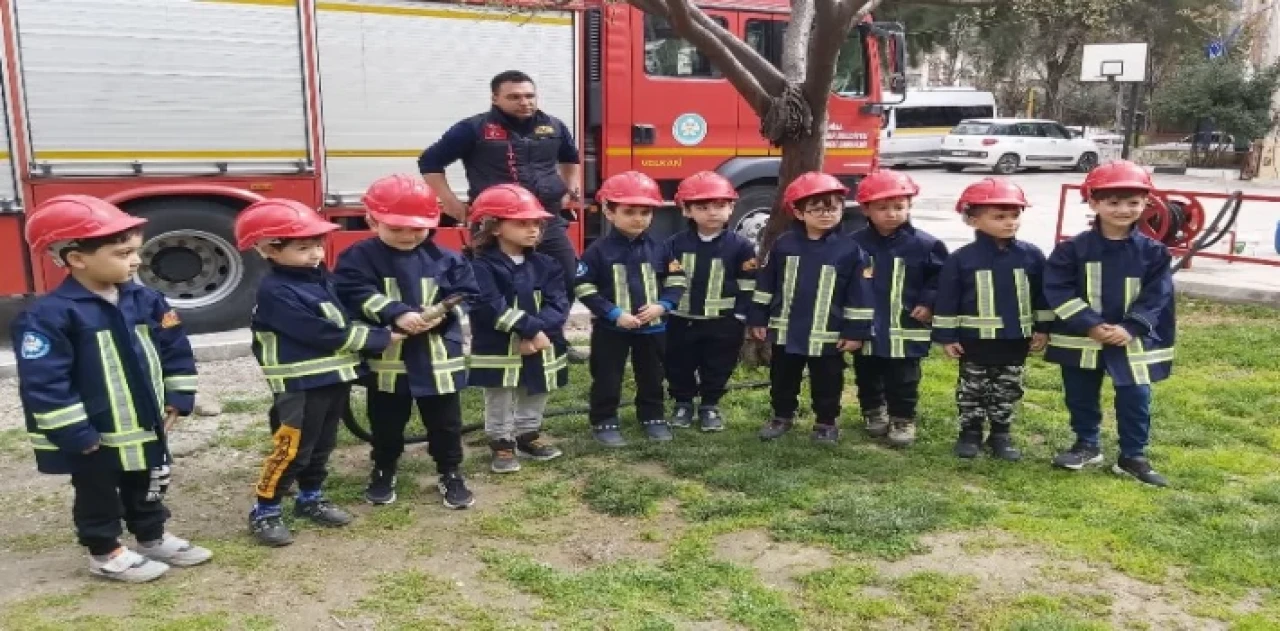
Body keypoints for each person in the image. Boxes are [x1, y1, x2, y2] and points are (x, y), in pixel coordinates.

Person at [12, 195, 211, 582]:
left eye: (135, 251)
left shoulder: (146, 299)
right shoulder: (50, 315)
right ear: (76, 258)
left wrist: (179, 397)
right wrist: (74, 432)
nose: (135, 261)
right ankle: (105, 551)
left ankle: (151, 535)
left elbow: (174, 350)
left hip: (145, 422)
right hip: (93, 433)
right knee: (98, 491)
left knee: (151, 479)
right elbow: (44, 381)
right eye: (122, 253)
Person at [237, 199, 399, 546]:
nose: (315, 254)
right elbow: (322, 333)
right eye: (303, 247)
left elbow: (343, 315)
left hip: (331, 381)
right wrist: (380, 338)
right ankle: (264, 510)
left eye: (317, 245)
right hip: (300, 386)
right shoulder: (276, 292)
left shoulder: (317, 278)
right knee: (292, 449)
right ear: (268, 250)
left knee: (323, 446)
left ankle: (310, 497)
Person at [418, 69, 588, 363]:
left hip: (545, 221)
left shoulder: (553, 127)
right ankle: (498, 346)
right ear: (495, 98)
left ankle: (551, 339)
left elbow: (570, 158)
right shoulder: (473, 129)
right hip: (494, 224)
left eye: (529, 95)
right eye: (514, 96)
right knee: (492, 288)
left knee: (565, 279)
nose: (524, 102)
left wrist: (569, 186)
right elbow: (430, 161)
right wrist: (450, 203)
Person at [332, 174, 481, 508]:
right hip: (389, 361)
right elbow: (352, 291)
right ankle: (384, 468)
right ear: (371, 220)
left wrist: (444, 312)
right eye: (395, 228)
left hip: (438, 359)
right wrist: (395, 313)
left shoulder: (447, 258)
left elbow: (468, 292)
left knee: (446, 424)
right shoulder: (358, 257)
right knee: (386, 422)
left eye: (417, 228)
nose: (407, 235)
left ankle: (450, 472)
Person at [1043, 160, 1174, 487]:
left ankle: (1133, 455)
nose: (1123, 209)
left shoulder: (1155, 252)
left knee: (1136, 395)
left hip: (1130, 338)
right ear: (1093, 202)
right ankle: (1086, 444)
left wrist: (1131, 327)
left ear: (1146, 204)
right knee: (1080, 392)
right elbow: (1057, 288)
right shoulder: (1071, 250)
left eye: (1133, 202)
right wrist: (1089, 324)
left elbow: (1158, 294)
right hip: (1082, 336)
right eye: (1113, 202)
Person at [932, 178, 1052, 461]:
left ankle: (1001, 434)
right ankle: (970, 433)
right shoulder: (961, 259)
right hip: (974, 344)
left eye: (1015, 215)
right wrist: (947, 337)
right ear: (972, 219)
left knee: (1007, 389)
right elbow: (947, 299)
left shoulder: (1032, 256)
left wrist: (1043, 328)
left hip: (1015, 341)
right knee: (971, 390)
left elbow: (1042, 295)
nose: (1009, 222)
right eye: (999, 217)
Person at [749, 172, 873, 443]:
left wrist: (856, 332)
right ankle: (781, 416)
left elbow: (860, 295)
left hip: (828, 333)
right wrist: (758, 318)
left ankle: (826, 422)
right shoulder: (783, 245)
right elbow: (766, 284)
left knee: (828, 380)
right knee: (782, 377)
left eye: (832, 208)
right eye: (816, 209)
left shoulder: (851, 250)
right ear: (798, 211)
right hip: (786, 331)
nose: (826, 215)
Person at [574, 171, 686, 447]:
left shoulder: (660, 248)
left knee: (652, 374)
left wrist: (663, 305)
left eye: (645, 211)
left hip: (653, 328)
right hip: (611, 329)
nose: (639, 218)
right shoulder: (597, 251)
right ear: (609, 213)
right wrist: (613, 313)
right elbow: (582, 286)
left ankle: (652, 416)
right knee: (607, 375)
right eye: (630, 211)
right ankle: (604, 419)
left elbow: (677, 279)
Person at [466, 184, 570, 473]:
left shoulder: (547, 264)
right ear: (494, 227)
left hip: (542, 342)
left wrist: (538, 334)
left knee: (537, 387)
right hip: (499, 343)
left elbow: (559, 303)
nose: (533, 229)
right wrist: (530, 331)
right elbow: (489, 305)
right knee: (500, 391)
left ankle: (527, 434)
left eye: (537, 223)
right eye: (522, 223)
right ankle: (501, 441)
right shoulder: (480, 267)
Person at [850, 169, 948, 448]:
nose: (891, 213)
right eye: (882, 208)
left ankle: (902, 418)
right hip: (867, 326)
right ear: (866, 209)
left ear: (909, 207)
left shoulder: (926, 244)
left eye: (898, 207)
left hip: (907, 326)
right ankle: (873, 411)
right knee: (867, 372)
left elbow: (941, 277)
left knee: (904, 376)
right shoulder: (854, 244)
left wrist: (929, 302)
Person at [663, 171, 757, 432]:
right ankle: (682, 403)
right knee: (678, 364)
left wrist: (740, 315)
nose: (712, 213)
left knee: (718, 365)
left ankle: (710, 405)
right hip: (681, 320)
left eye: (719, 206)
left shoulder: (742, 247)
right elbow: (666, 280)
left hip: (723, 322)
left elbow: (748, 284)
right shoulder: (673, 245)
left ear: (731, 208)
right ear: (687, 210)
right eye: (702, 207)